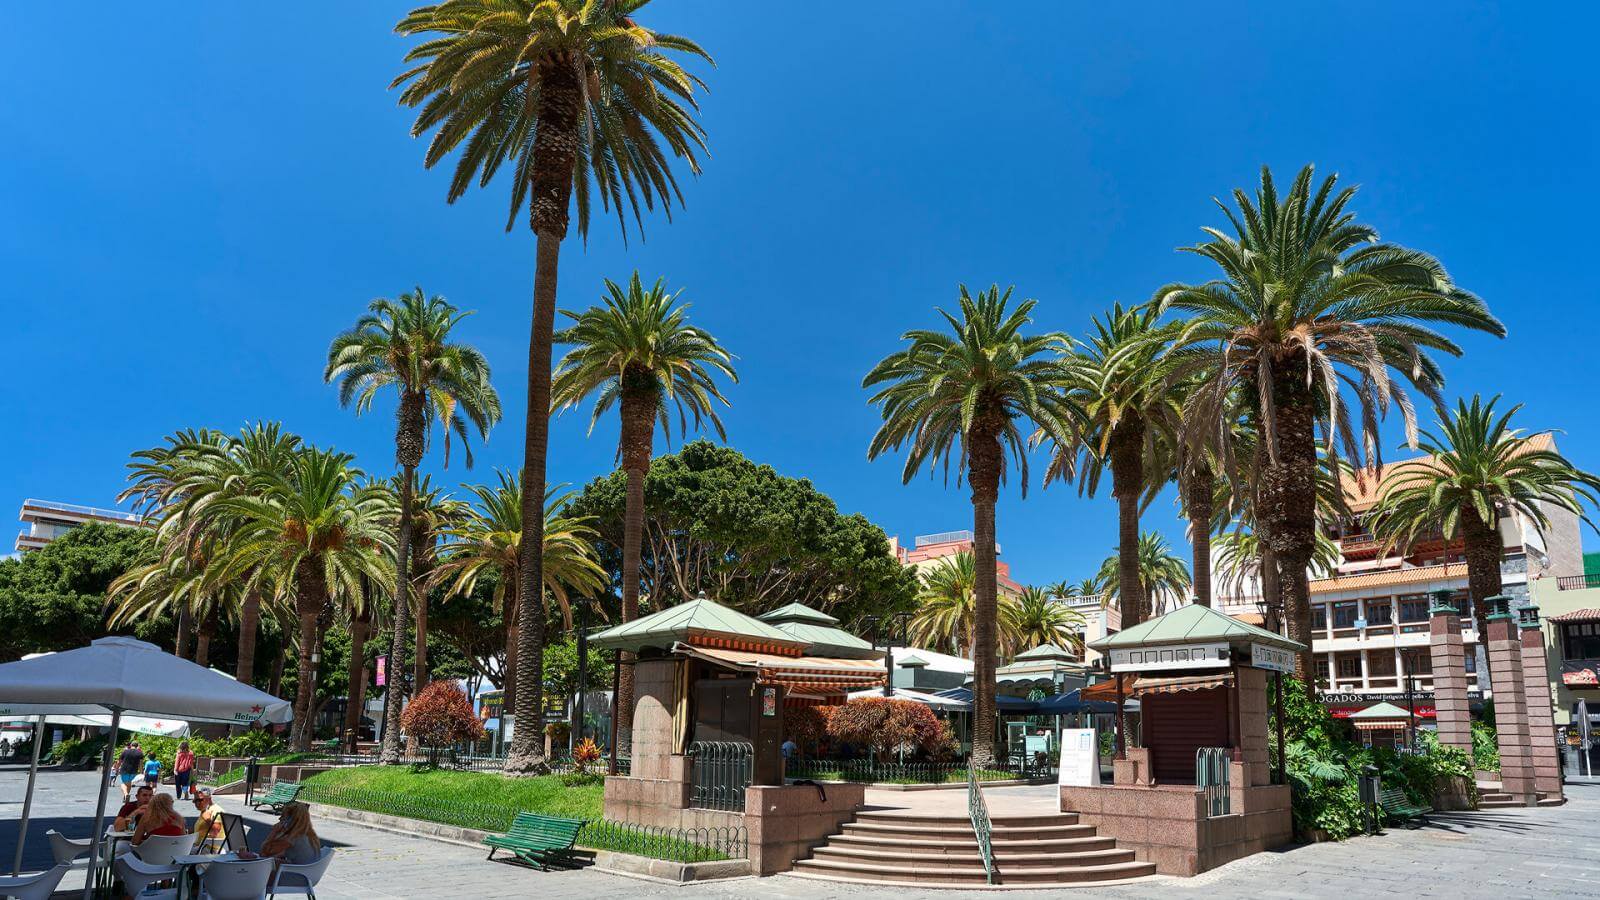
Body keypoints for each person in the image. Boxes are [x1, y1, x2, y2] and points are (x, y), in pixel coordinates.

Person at [189, 789, 225, 853]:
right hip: (200, 847)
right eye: (195, 801)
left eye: (200, 800)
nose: (197, 803)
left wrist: (207, 819)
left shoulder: (216, 810)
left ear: (209, 799)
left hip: (209, 849)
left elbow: (215, 832)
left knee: (179, 851)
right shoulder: (205, 810)